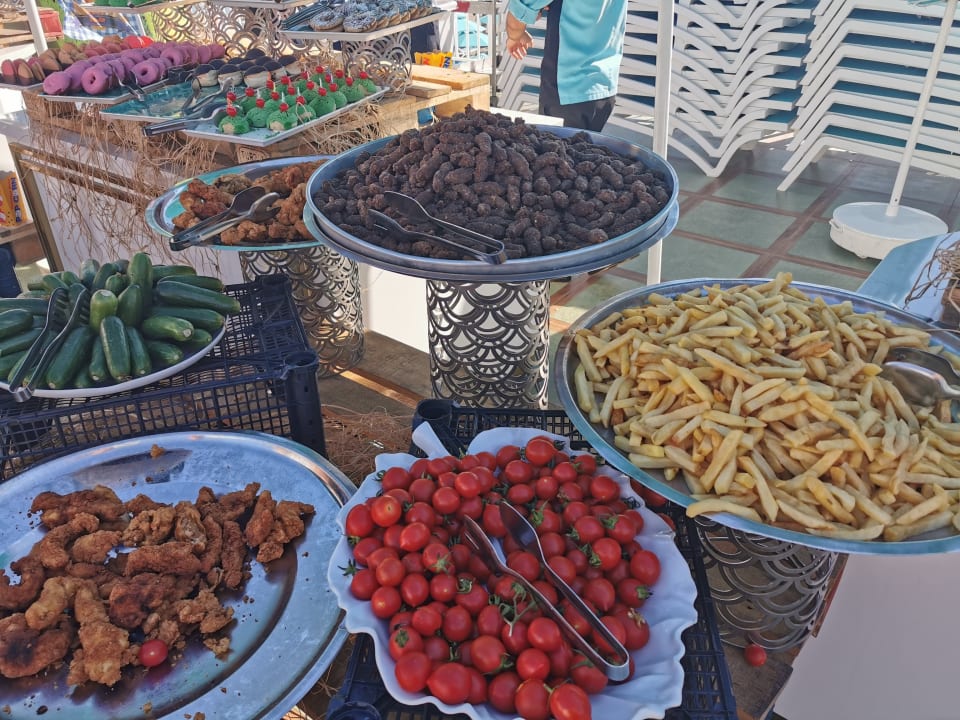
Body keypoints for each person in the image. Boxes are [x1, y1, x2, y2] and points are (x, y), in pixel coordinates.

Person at [504, 0, 627, 132]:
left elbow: (517, 15)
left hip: (567, 91)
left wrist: (515, 37)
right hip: (603, 88)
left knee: (555, 144)